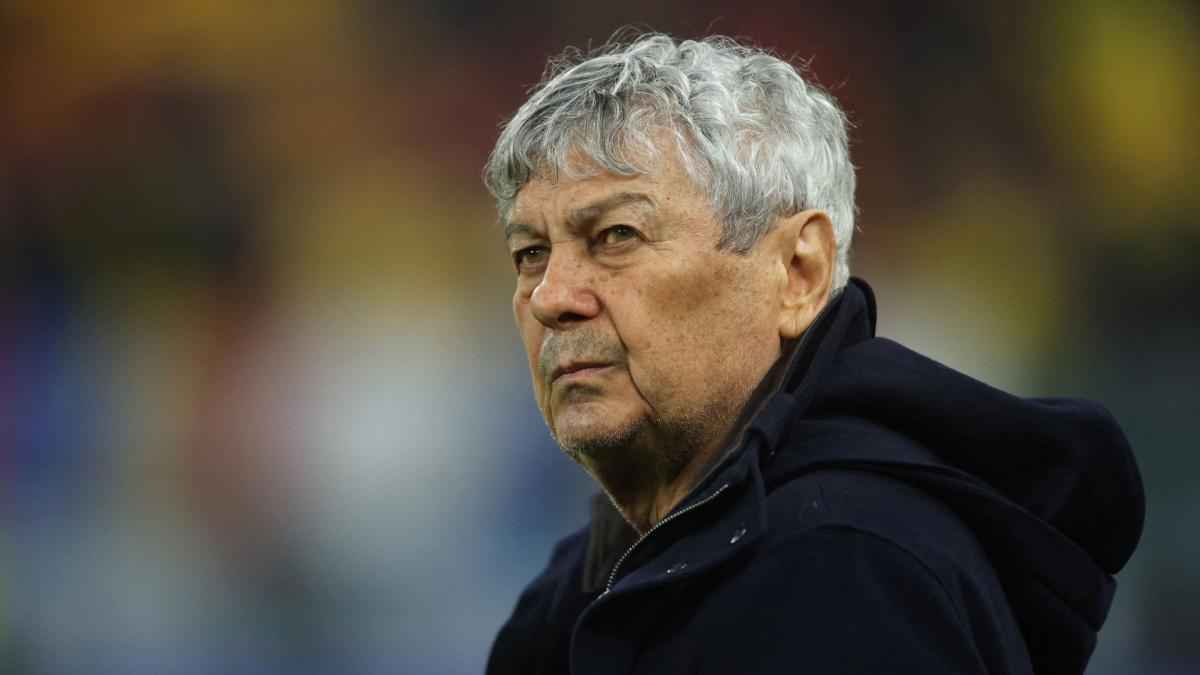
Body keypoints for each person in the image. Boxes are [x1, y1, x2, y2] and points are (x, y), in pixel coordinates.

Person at [482, 33, 1143, 675]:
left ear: (798, 272)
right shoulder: (581, 590)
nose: (550, 297)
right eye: (530, 253)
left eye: (617, 235)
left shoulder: (850, 573)